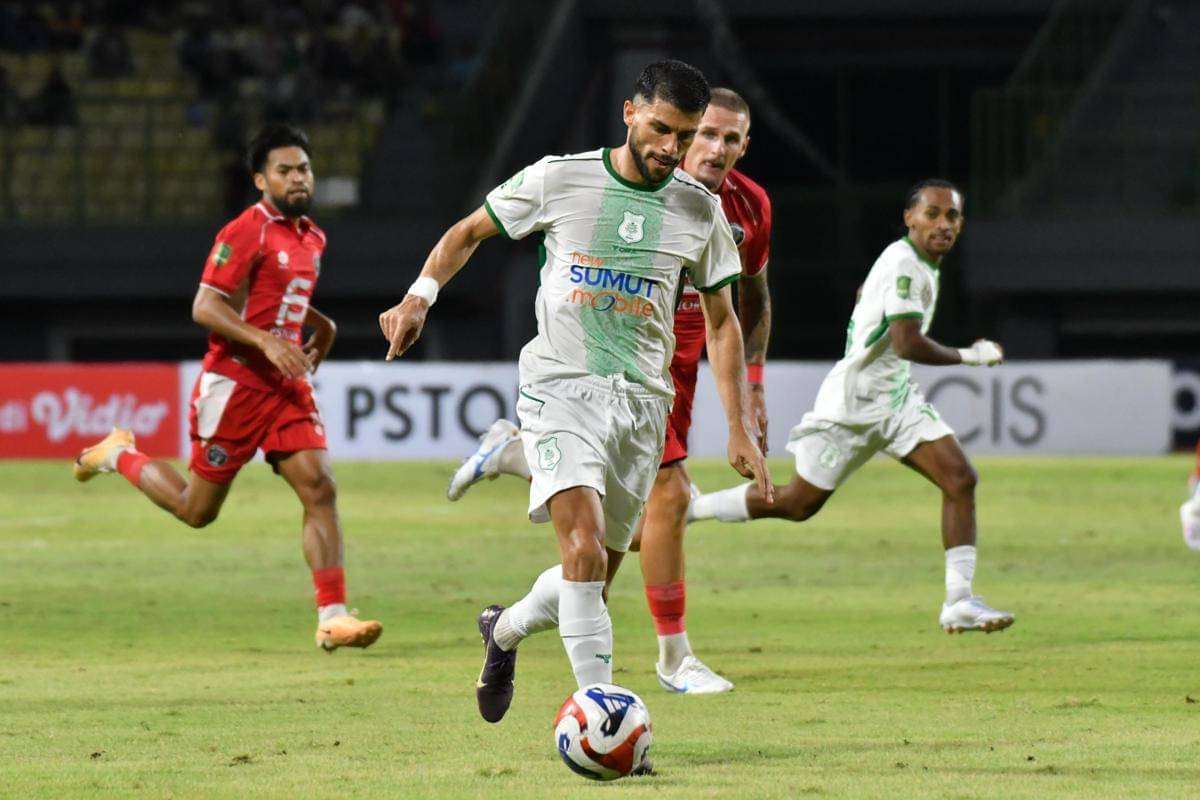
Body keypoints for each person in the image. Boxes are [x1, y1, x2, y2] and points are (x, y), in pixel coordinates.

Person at [378, 60, 771, 724]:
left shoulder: (698, 210)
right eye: (660, 130)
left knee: (591, 578)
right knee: (583, 550)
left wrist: (738, 427)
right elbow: (468, 231)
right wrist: (419, 296)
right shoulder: (561, 177)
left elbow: (725, 323)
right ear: (628, 112)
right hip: (561, 387)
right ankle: (604, 718)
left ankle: (501, 631)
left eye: (684, 136)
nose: (670, 150)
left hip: (644, 407)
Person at [72, 124, 382, 653]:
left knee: (319, 487)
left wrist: (321, 326)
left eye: (303, 168)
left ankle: (332, 616)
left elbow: (279, 296)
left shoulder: (312, 236)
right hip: (235, 384)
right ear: (261, 180)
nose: (297, 177)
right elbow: (207, 306)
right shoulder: (246, 230)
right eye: (284, 170)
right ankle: (117, 454)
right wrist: (265, 342)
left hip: (284, 387)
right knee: (197, 510)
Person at [690, 179, 1015, 634]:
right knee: (797, 503)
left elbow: (871, 301)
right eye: (932, 214)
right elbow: (906, 342)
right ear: (910, 218)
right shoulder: (906, 266)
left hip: (895, 399)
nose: (943, 224)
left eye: (952, 216)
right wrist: (970, 355)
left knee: (960, 479)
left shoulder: (913, 262)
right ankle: (693, 509)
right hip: (854, 404)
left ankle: (959, 601)